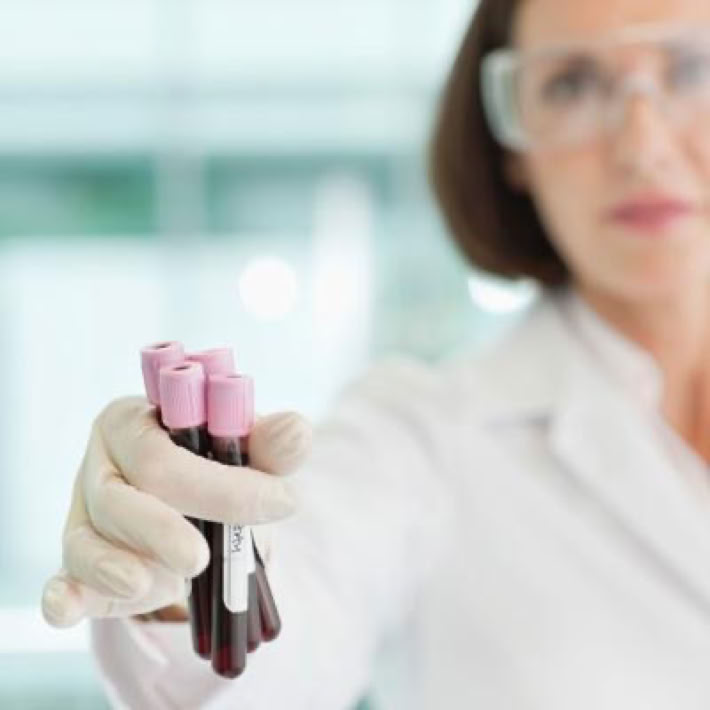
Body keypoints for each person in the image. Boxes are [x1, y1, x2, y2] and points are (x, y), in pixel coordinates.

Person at [42, 0, 710, 707]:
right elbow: (272, 648)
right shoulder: (420, 441)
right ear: (511, 148)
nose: (642, 145)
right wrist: (180, 582)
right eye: (571, 83)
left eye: (692, 67)